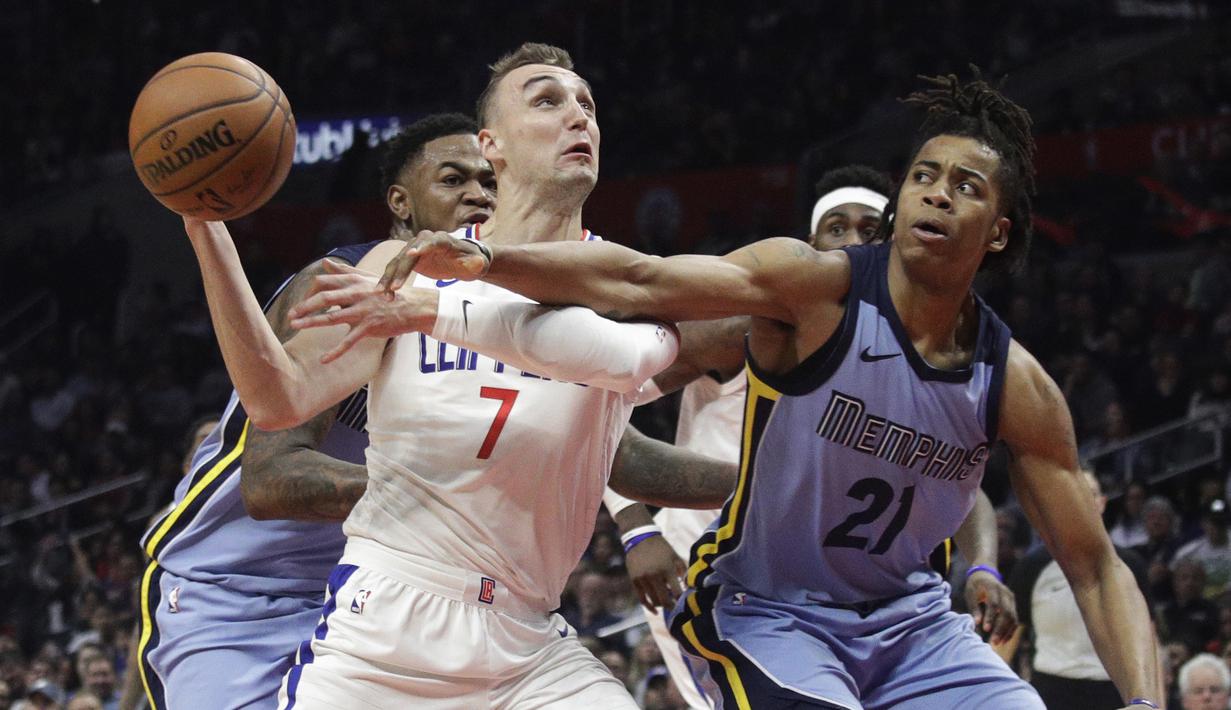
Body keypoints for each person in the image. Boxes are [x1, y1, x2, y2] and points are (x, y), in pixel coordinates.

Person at [374, 71, 1163, 708]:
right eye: (923, 176)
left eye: (964, 186)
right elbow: (638, 280)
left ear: (997, 230)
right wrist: (488, 264)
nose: (935, 193)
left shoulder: (1015, 383)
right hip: (770, 612)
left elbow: (1093, 566)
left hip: (914, 624)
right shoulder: (809, 289)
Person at [178, 44, 696, 709]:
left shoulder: (625, 279)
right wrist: (207, 230)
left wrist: (745, 490)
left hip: (526, 643)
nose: (578, 117)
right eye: (546, 100)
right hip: (384, 630)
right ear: (493, 145)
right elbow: (276, 401)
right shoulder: (403, 265)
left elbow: (633, 416)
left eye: (587, 105)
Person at [601, 165, 1016, 710]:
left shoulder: (927, 362)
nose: (850, 241)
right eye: (835, 229)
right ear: (811, 246)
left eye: (868, 230)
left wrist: (983, 566)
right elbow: (597, 402)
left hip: (847, 595)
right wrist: (635, 528)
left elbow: (956, 486)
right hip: (721, 573)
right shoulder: (757, 326)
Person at [132, 113, 497, 710]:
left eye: (489, 182)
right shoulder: (343, 283)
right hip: (231, 591)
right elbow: (273, 481)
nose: (479, 195)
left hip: (360, 594)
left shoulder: (485, 320)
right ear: (401, 204)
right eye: (453, 180)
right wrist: (449, 500)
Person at [1006, 470, 1152, 709]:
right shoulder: (1031, 567)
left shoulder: (1130, 565)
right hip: (1051, 690)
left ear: (1102, 503)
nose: (1082, 501)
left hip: (1114, 690)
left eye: (1090, 494)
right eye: (1074, 494)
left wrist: (1152, 702)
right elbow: (1005, 640)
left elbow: (1148, 641)